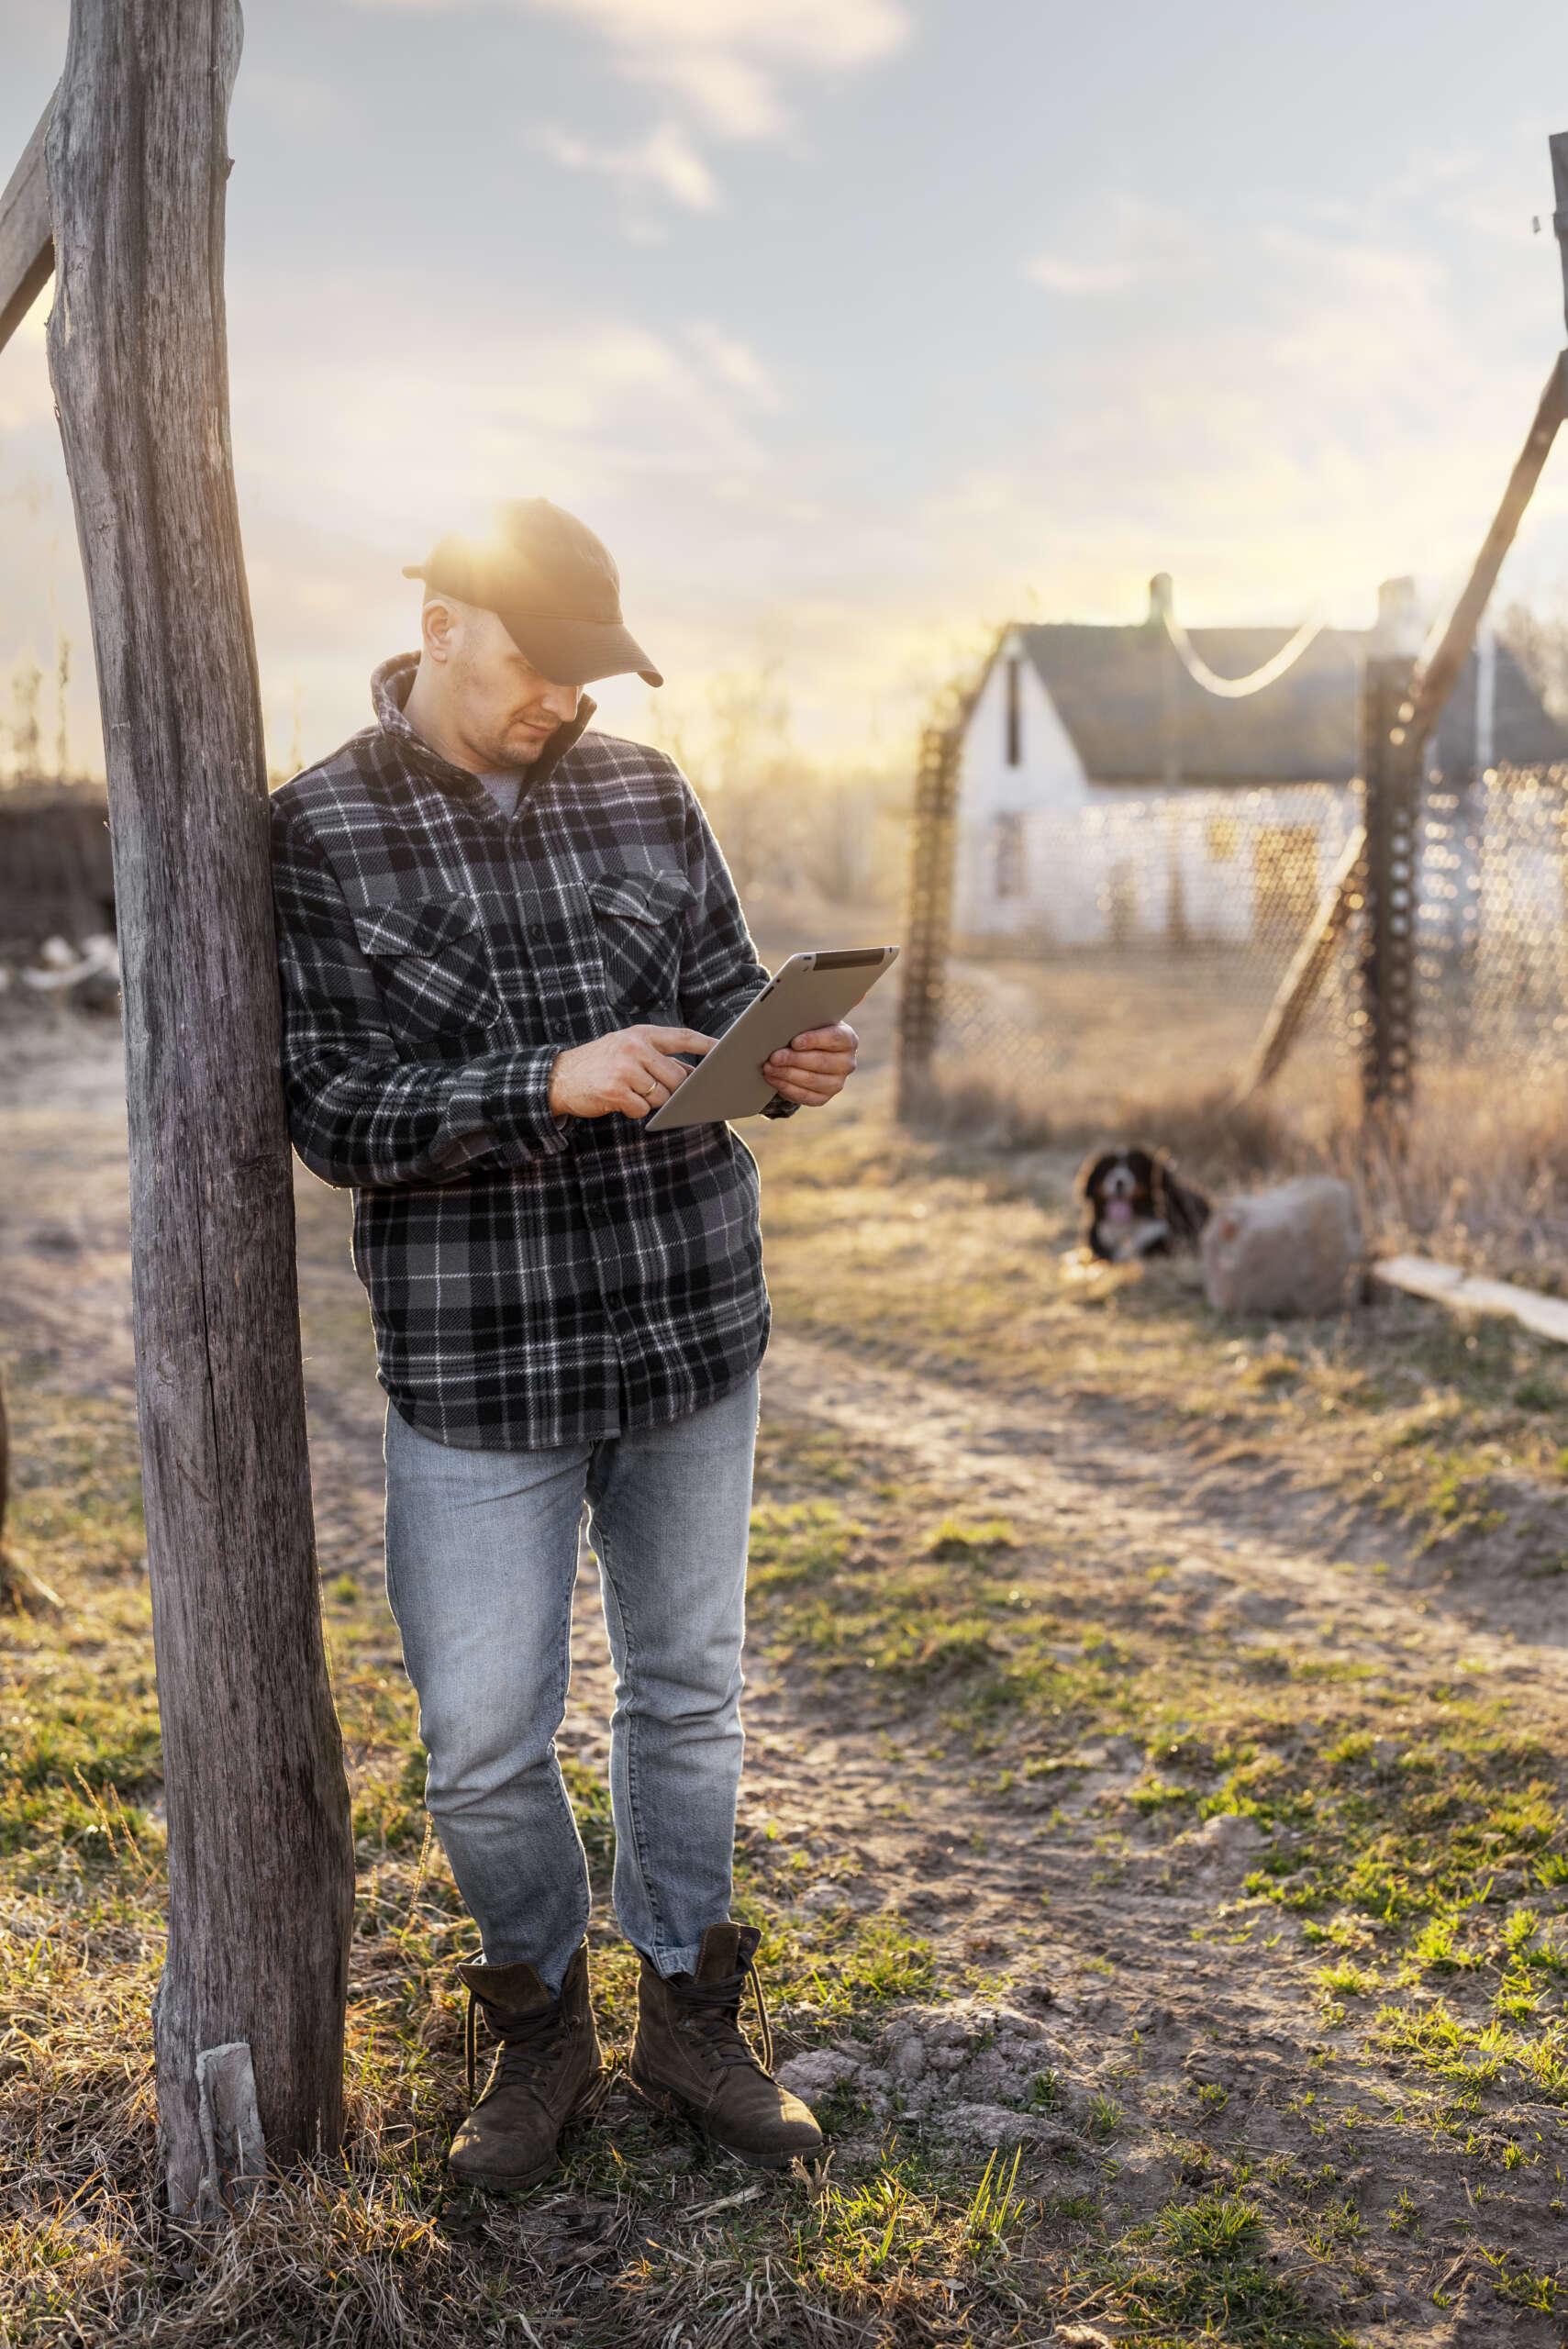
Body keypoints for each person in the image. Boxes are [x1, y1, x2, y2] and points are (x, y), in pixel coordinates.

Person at [270, 499, 858, 2191]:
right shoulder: (315, 830)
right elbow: (332, 1109)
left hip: (689, 1323)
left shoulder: (644, 789)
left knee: (687, 1693)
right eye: (539, 666)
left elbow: (724, 998)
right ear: (441, 626)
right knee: (479, 1739)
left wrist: (784, 1067)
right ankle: (540, 2027)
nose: (562, 702)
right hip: (482, 1366)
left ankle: (687, 2010)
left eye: (586, 675)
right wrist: (545, 1080)